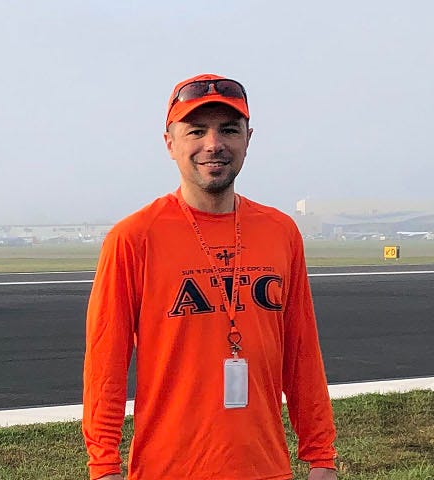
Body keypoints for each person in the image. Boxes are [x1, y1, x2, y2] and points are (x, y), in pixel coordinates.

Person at [82, 74, 338, 480]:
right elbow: (105, 363)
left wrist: (321, 454)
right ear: (170, 143)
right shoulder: (133, 238)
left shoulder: (280, 231)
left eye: (229, 130)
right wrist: (103, 465)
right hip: (167, 468)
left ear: (248, 139)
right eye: (196, 131)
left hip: (265, 467)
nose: (213, 144)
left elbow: (302, 350)